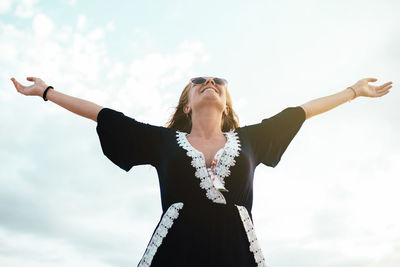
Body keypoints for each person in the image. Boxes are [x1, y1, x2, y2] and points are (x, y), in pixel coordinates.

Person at [11, 76, 392, 267]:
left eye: (217, 82)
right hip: (176, 248)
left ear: (225, 104)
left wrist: (354, 91)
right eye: (199, 82)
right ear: (188, 104)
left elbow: (302, 111)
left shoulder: (254, 139)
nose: (208, 83)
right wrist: (46, 91)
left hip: (237, 250)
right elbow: (102, 114)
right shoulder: (161, 142)